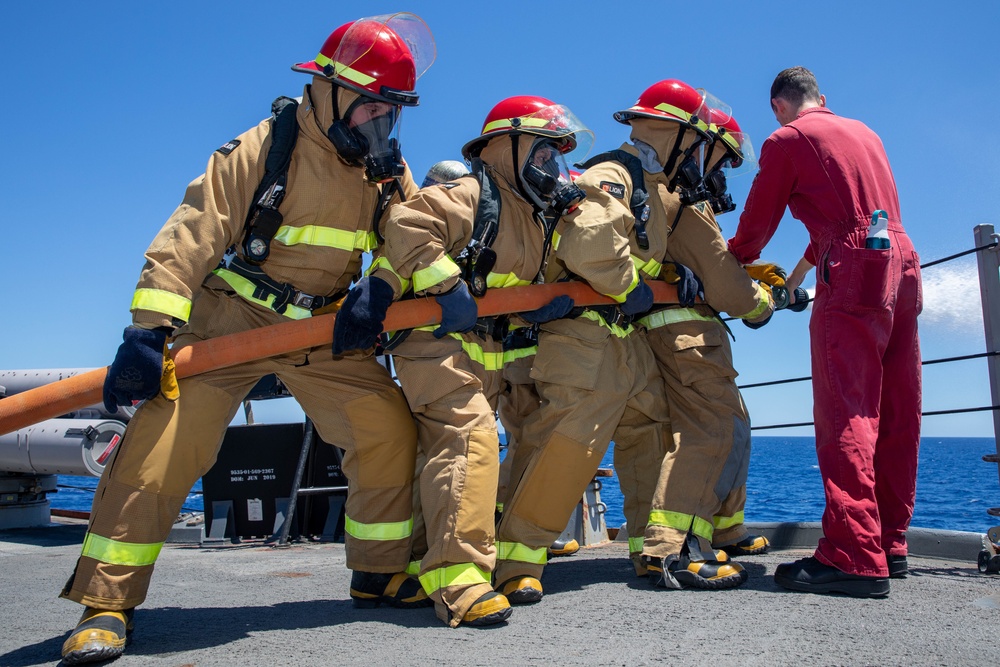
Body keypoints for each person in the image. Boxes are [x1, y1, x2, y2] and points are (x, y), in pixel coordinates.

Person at [58, 14, 435, 664]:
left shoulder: (384, 169)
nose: (381, 118)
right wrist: (150, 332)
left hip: (323, 327)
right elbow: (192, 231)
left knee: (386, 430)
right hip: (230, 320)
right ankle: (106, 603)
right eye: (372, 101)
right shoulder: (266, 147)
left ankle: (379, 571)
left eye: (391, 107)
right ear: (331, 89)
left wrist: (385, 283)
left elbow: (416, 232)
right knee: (163, 442)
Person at [334, 95, 593, 626]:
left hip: (484, 349)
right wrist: (445, 284)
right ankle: (459, 579)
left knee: (446, 451)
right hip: (433, 343)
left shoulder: (533, 217)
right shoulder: (473, 193)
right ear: (510, 147)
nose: (552, 168)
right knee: (469, 437)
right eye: (544, 154)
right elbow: (407, 226)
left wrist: (536, 313)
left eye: (554, 159)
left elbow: (498, 288)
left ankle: (413, 562)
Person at [727, 66, 922, 598]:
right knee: (898, 405)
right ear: (822, 99)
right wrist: (794, 281)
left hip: (855, 272)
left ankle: (854, 555)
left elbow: (758, 223)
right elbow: (858, 220)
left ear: (778, 106)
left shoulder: (787, 139)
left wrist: (731, 263)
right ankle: (888, 542)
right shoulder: (866, 134)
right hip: (900, 263)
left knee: (847, 408)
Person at [491, 95, 675, 605]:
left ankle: (648, 546)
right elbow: (589, 241)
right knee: (566, 447)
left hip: (624, 339)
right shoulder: (615, 174)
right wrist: (628, 284)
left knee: (651, 432)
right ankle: (517, 561)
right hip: (587, 338)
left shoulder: (650, 188)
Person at [593, 80, 774, 590]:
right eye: (716, 160)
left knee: (730, 425)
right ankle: (671, 548)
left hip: (676, 333)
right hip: (686, 335)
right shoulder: (684, 201)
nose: (718, 174)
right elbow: (722, 281)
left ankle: (720, 526)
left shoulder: (669, 193)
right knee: (711, 430)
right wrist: (762, 303)